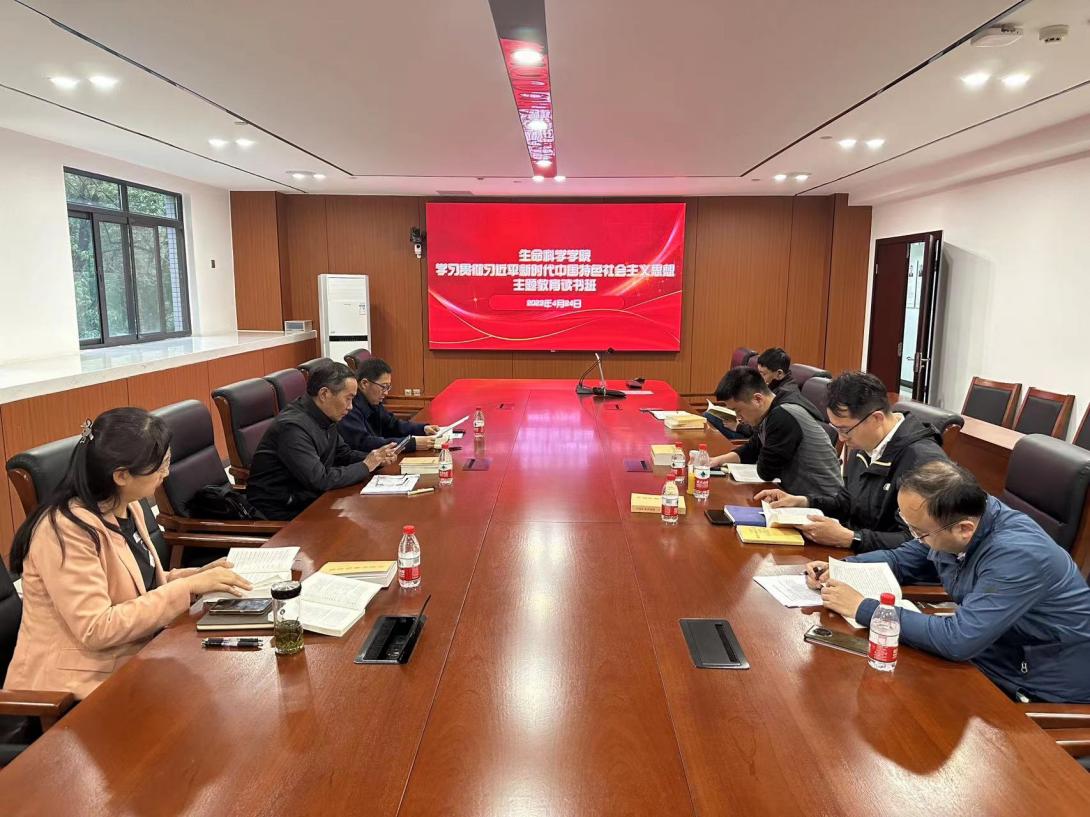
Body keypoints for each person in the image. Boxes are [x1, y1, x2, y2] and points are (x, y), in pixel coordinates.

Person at [4, 408, 252, 700]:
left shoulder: (126, 505)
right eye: (159, 467)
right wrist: (186, 587)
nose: (166, 473)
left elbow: (138, 586)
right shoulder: (64, 530)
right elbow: (97, 628)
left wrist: (198, 577)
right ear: (121, 475)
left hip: (135, 657)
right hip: (75, 689)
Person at [806, 460, 1090, 703]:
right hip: (987, 653)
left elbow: (958, 640)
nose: (916, 538)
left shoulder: (1018, 556)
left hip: (1033, 686)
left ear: (964, 529)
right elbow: (903, 559)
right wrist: (844, 568)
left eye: (919, 532)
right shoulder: (964, 517)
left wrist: (864, 608)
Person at [757, 371, 948, 551]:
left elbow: (923, 542)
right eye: (836, 429)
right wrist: (803, 502)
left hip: (887, 565)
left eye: (845, 429)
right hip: (857, 551)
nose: (841, 439)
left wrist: (851, 538)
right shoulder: (865, 443)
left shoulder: (924, 462)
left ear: (876, 419)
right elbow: (847, 502)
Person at [246, 361, 397, 520]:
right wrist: (366, 465)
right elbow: (319, 480)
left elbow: (343, 454)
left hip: (310, 501)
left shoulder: (324, 414)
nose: (351, 407)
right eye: (348, 399)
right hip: (282, 514)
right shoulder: (292, 427)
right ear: (324, 394)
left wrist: (376, 459)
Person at [708, 367, 843, 497]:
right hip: (796, 494)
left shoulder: (783, 415)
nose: (738, 418)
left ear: (758, 399)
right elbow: (753, 448)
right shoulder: (771, 409)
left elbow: (766, 472)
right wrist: (717, 461)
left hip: (819, 501)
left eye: (738, 411)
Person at [339, 357, 440, 454]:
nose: (386, 393)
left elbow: (392, 425)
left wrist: (422, 429)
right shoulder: (349, 407)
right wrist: (411, 443)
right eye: (383, 387)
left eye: (388, 387)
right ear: (364, 383)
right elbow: (364, 443)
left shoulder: (373, 401)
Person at [706, 347, 810, 440]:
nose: (760, 378)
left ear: (779, 373)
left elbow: (764, 426)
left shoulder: (784, 397)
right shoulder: (772, 385)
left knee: (710, 418)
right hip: (755, 432)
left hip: (753, 434)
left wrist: (739, 427)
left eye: (763, 374)